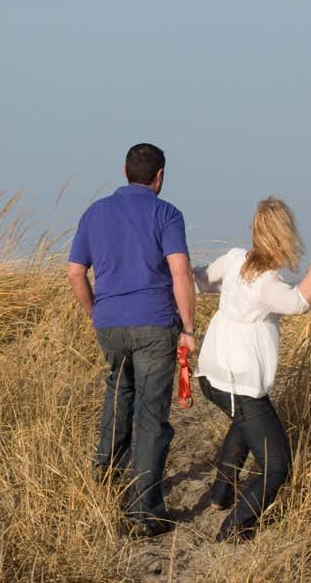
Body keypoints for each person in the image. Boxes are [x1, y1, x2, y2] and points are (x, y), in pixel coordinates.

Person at [194, 198, 311, 542]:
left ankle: (221, 495)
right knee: (277, 467)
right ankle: (234, 530)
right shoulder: (265, 282)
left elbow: (200, 282)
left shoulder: (235, 260)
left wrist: (176, 268)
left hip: (212, 376)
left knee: (243, 421)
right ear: (284, 235)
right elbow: (299, 303)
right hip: (240, 384)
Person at [67, 143, 196, 536]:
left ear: (124, 172)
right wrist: (189, 329)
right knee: (151, 414)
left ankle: (106, 488)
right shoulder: (166, 213)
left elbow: (75, 273)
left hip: (109, 325)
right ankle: (145, 509)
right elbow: (179, 273)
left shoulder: (94, 212)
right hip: (154, 323)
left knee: (118, 397)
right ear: (159, 176)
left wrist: (97, 313)